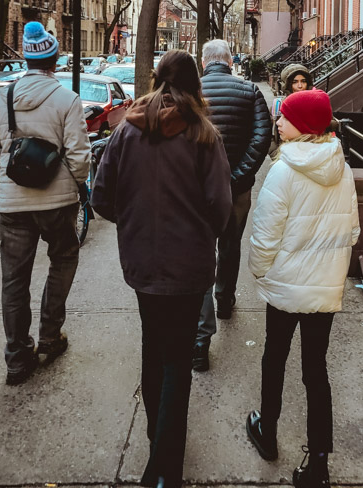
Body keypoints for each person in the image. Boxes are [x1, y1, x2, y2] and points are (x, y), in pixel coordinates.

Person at [91, 50, 232, 488]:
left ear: (156, 79)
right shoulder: (204, 135)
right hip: (188, 266)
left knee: (154, 350)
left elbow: (100, 198)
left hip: (142, 265)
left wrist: (133, 224)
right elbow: (222, 208)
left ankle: (158, 436)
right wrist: (200, 232)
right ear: (195, 83)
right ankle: (166, 465)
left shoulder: (125, 132)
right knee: (177, 358)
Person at [246, 89, 360, 488]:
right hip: (323, 289)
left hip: (285, 287)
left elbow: (264, 235)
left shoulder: (283, 169)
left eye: (285, 117)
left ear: (304, 125)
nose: (277, 122)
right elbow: (354, 228)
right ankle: (320, 463)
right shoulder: (342, 167)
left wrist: (260, 272)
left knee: (274, 358)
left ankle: (268, 431)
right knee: (316, 370)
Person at [0, 22, 91, 386]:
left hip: (12, 207)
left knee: (14, 281)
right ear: (55, 59)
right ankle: (50, 334)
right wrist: (74, 185)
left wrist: (10, 183)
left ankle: (17, 357)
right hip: (57, 202)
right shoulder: (67, 99)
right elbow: (80, 156)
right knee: (63, 256)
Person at [193, 39, 272, 372]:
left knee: (198, 255)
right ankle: (224, 300)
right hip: (237, 191)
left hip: (196, 193)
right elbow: (261, 138)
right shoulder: (250, 92)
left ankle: (200, 340)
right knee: (229, 245)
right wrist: (237, 177)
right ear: (228, 60)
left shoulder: (192, 93)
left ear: (204, 61)